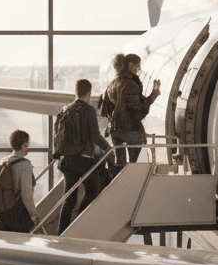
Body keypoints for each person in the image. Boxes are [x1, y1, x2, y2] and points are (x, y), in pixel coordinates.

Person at [57, 79, 112, 234]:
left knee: (69, 199)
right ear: (89, 92)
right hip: (84, 160)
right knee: (93, 191)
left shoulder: (65, 109)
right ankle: (78, 222)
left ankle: (61, 232)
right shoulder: (88, 110)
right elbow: (95, 135)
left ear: (76, 92)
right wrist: (108, 148)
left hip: (67, 160)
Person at [0, 130, 36, 265]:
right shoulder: (24, 165)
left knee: (4, 253)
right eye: (28, 144)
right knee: (20, 253)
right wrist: (33, 214)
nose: (28, 147)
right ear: (24, 144)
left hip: (3, 214)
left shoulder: (3, 161)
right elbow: (26, 194)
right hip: (18, 213)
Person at [107, 53, 161, 166]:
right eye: (137, 65)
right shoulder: (131, 85)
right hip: (129, 129)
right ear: (130, 65)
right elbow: (138, 110)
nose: (139, 68)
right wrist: (152, 97)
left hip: (115, 130)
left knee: (120, 165)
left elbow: (106, 109)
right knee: (136, 164)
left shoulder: (112, 84)